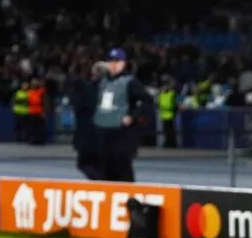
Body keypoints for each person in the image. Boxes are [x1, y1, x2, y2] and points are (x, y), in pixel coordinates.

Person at [94, 48, 149, 182]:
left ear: (123, 63)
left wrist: (132, 117)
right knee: (104, 166)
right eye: (111, 61)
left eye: (117, 62)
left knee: (121, 165)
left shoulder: (130, 81)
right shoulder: (103, 82)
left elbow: (147, 101)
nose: (113, 65)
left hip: (122, 133)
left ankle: (127, 194)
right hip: (104, 131)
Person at [71, 62, 106, 180]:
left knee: (84, 163)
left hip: (88, 134)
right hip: (105, 136)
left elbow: (78, 109)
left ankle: (100, 182)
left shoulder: (87, 90)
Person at [157, 76, 178, 148]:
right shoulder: (161, 95)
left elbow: (174, 104)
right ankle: (167, 142)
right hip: (163, 115)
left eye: (166, 86)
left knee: (171, 131)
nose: (164, 88)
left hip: (170, 115)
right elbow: (158, 103)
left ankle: (172, 143)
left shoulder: (172, 94)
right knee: (165, 131)